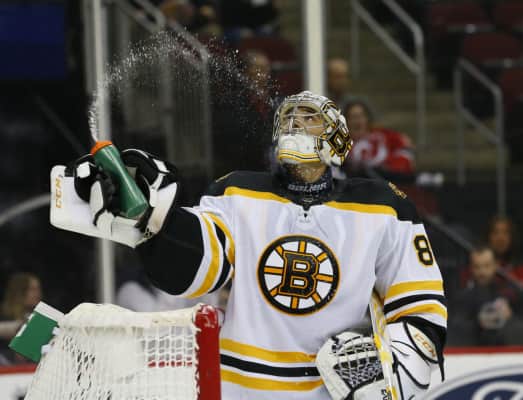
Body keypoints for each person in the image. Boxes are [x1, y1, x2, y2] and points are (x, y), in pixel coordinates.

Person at [51, 91, 446, 399]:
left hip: (332, 392)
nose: (295, 125)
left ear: (337, 137)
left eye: (309, 118)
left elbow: (422, 308)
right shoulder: (236, 192)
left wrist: (389, 372)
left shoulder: (384, 207)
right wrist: (154, 221)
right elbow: (195, 272)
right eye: (289, 118)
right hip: (240, 389)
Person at [449, 246, 523, 346]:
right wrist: (478, 322)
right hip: (474, 351)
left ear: (495, 265)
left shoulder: (512, 294)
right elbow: (455, 332)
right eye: (477, 266)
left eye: (487, 265)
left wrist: (510, 317)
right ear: (470, 268)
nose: (482, 271)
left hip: (506, 350)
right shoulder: (462, 298)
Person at [343, 99, 415, 180]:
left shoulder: (382, 135)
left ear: (367, 119)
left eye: (361, 116)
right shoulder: (342, 145)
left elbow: (405, 148)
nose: (357, 121)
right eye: (353, 117)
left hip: (390, 179)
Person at [0, 272, 42, 365]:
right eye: (32, 289)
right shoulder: (4, 315)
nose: (38, 293)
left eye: (38, 289)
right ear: (19, 291)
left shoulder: (39, 317)